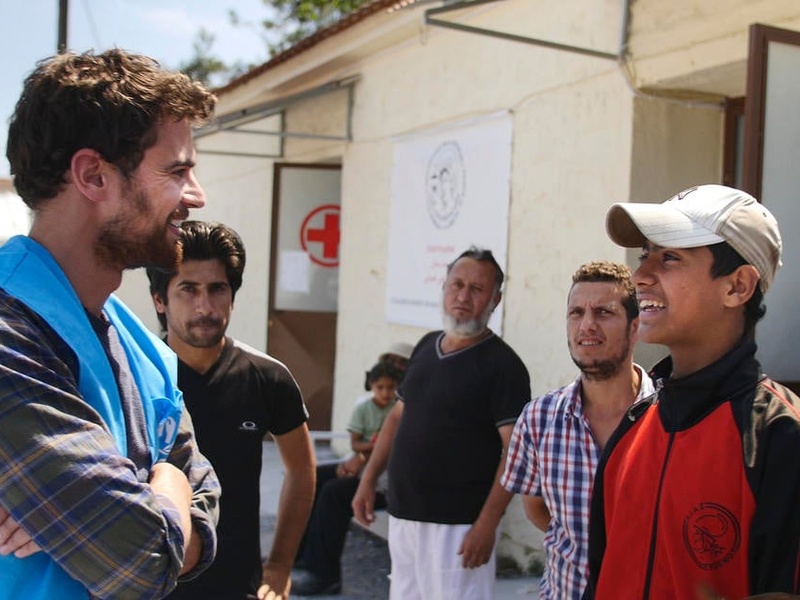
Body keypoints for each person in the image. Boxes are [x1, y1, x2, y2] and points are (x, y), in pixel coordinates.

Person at [0, 49, 219, 599]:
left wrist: (141, 501)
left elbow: (207, 500)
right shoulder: (10, 339)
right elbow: (142, 560)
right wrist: (163, 484)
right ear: (94, 176)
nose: (196, 196)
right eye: (177, 171)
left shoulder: (138, 341)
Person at [585, 184, 800, 598]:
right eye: (644, 254)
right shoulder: (633, 430)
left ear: (737, 286)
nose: (640, 276)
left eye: (669, 257)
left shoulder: (778, 438)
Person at [146, 221, 316, 600]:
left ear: (233, 295)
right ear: (160, 299)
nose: (204, 306)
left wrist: (280, 564)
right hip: (151, 586)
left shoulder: (268, 378)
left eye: (217, 289)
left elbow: (302, 469)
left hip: (237, 585)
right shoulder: (136, 377)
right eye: (187, 290)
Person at [352, 246, 531, 600]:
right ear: (444, 288)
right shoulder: (425, 346)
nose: (463, 296)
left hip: (459, 527)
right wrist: (368, 480)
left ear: (495, 299)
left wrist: (487, 525)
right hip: (405, 516)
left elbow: (517, 452)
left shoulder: (503, 366)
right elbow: (396, 420)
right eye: (456, 284)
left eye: (477, 289)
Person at [500, 261, 655, 599]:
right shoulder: (539, 419)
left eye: (603, 312)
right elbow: (538, 511)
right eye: (576, 312)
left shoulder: (668, 418)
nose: (587, 325)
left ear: (634, 327)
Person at [291, 361, 404, 595]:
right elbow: (362, 441)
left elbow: (394, 446)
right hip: (369, 467)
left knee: (334, 493)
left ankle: (325, 576)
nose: (385, 391)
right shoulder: (372, 407)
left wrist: (361, 459)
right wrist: (358, 458)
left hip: (391, 480)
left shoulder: (408, 404)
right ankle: (300, 554)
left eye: (401, 363)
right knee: (315, 477)